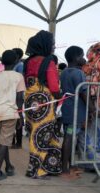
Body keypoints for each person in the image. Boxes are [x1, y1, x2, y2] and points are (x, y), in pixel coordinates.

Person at [24, 30, 62, 179]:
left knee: (37, 132)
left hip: (31, 100)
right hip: (45, 101)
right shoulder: (49, 61)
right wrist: (60, 96)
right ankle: (36, 170)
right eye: (52, 44)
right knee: (43, 134)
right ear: (45, 45)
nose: (54, 46)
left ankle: (50, 166)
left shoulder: (28, 61)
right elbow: (53, 86)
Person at [0, 50, 25, 181]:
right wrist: (20, 115)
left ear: (2, 62)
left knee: (3, 142)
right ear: (17, 61)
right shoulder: (18, 76)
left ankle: (9, 166)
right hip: (10, 113)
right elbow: (20, 98)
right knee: (5, 143)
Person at [60, 46, 94, 180]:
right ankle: (65, 170)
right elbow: (83, 93)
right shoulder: (79, 73)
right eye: (81, 56)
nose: (84, 58)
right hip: (75, 112)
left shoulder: (64, 72)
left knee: (69, 138)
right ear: (75, 58)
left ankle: (70, 166)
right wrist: (92, 108)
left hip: (67, 110)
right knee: (69, 139)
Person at [11, 48, 24, 149]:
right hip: (12, 95)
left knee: (18, 116)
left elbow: (20, 80)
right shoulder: (15, 65)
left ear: (18, 56)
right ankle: (13, 141)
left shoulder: (20, 66)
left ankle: (18, 143)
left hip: (18, 95)